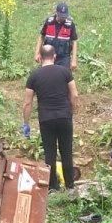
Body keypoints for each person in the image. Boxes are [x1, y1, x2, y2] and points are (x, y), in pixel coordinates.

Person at [22, 44, 79, 191]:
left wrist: (26, 123)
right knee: (66, 151)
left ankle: (53, 187)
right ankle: (70, 186)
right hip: (64, 116)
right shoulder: (65, 72)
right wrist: (71, 111)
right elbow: (74, 94)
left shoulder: (34, 76)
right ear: (54, 56)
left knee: (50, 153)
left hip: (46, 118)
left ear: (40, 57)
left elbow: (27, 103)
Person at [35, 1, 78, 71]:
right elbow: (41, 37)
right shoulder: (49, 22)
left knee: (64, 77)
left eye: (64, 16)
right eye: (61, 16)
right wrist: (37, 53)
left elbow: (74, 42)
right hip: (48, 56)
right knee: (46, 76)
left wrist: (74, 60)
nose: (63, 18)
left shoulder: (70, 25)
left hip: (63, 57)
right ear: (56, 13)